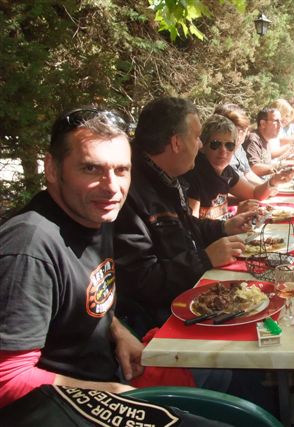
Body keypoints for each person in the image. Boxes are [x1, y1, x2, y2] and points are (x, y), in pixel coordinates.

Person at [0, 108, 140, 409]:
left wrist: (117, 331)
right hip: (54, 407)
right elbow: (7, 379)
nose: (112, 187)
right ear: (52, 169)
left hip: (109, 375)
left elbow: (82, 298)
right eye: (90, 168)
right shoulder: (29, 248)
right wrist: (109, 393)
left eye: (121, 170)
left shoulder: (94, 214)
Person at [113, 97, 255, 327]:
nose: (199, 146)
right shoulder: (128, 191)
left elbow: (184, 226)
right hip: (166, 321)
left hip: (189, 297)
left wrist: (224, 227)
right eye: (197, 137)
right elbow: (141, 282)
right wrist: (204, 259)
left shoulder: (166, 176)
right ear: (176, 142)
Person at [184, 114, 294, 219]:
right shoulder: (194, 175)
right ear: (203, 146)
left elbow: (254, 194)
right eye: (215, 144)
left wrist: (273, 181)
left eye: (229, 145)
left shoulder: (226, 171)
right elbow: (193, 226)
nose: (223, 151)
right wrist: (234, 218)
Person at [214, 103, 263, 186]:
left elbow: (248, 173)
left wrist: (269, 185)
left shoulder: (239, 147)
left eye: (243, 130)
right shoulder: (217, 153)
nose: (240, 135)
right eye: (235, 129)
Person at [243, 107, 282, 177]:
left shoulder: (266, 140)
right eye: (276, 121)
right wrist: (281, 166)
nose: (280, 125)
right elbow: (253, 168)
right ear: (263, 124)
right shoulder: (253, 139)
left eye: (280, 121)